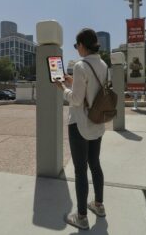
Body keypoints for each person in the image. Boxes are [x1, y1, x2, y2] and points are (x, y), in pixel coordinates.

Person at [55, 28, 107, 230]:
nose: (76, 49)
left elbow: (76, 99)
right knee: (95, 164)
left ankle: (82, 217)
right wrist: (72, 81)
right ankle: (99, 205)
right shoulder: (103, 64)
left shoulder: (80, 65)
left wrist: (63, 88)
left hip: (80, 124)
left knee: (80, 170)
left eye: (77, 46)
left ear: (83, 45)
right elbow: (92, 88)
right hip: (98, 121)